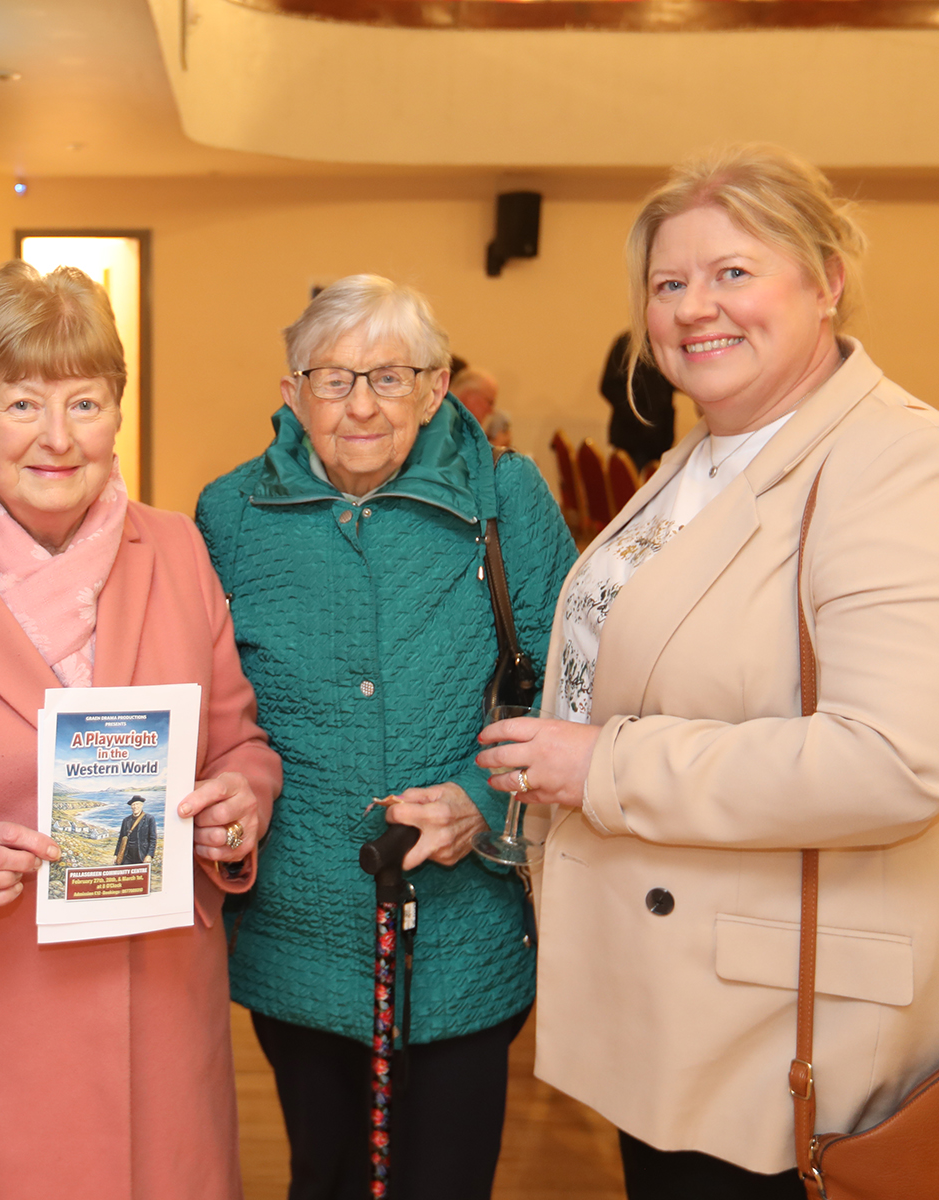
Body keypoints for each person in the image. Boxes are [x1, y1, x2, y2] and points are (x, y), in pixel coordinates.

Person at [480, 144, 939, 1198]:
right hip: (680, 1002)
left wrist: (604, 765)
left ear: (826, 281)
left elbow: (893, 762)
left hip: (785, 1034)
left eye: (734, 272)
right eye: (669, 284)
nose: (694, 308)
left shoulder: (896, 463)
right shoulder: (701, 454)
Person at [0, 261, 281, 1200]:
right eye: (21, 403)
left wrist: (240, 803)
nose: (58, 437)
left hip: (165, 1025)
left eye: (85, 402)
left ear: (117, 413)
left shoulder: (177, 551)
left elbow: (238, 744)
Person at [196, 275, 576, 1200]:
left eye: (390, 376)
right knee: (323, 1173)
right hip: (298, 929)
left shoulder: (506, 497)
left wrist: (480, 801)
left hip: (465, 929)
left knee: (447, 1177)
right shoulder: (229, 514)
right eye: (332, 379)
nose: (361, 405)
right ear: (292, 395)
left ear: (436, 387)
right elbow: (209, 703)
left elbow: (573, 685)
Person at [600, 330, 676, 468]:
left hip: (661, 437)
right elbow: (609, 386)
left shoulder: (664, 343)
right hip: (631, 436)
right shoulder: (627, 343)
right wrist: (637, 416)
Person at [115, 795, 157, 865]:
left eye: (137, 804)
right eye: (133, 805)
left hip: (142, 855)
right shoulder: (126, 820)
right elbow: (121, 839)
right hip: (127, 856)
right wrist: (116, 855)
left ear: (141, 805)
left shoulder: (149, 819)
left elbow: (153, 839)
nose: (135, 807)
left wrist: (149, 855)